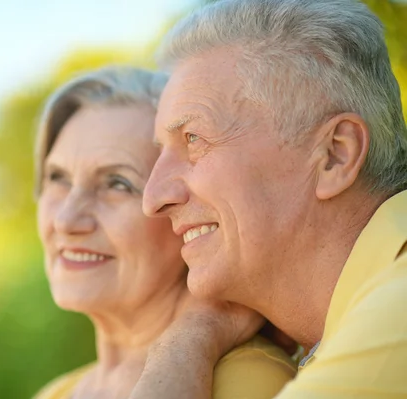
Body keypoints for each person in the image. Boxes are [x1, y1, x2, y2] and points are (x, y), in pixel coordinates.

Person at [130, 0, 407, 398]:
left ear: (335, 154)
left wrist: (178, 351)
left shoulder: (397, 314)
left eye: (193, 139)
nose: (153, 198)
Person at [32, 66, 296, 399]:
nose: (66, 220)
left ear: (186, 214)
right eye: (58, 178)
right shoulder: (56, 393)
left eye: (117, 183)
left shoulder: (249, 382)